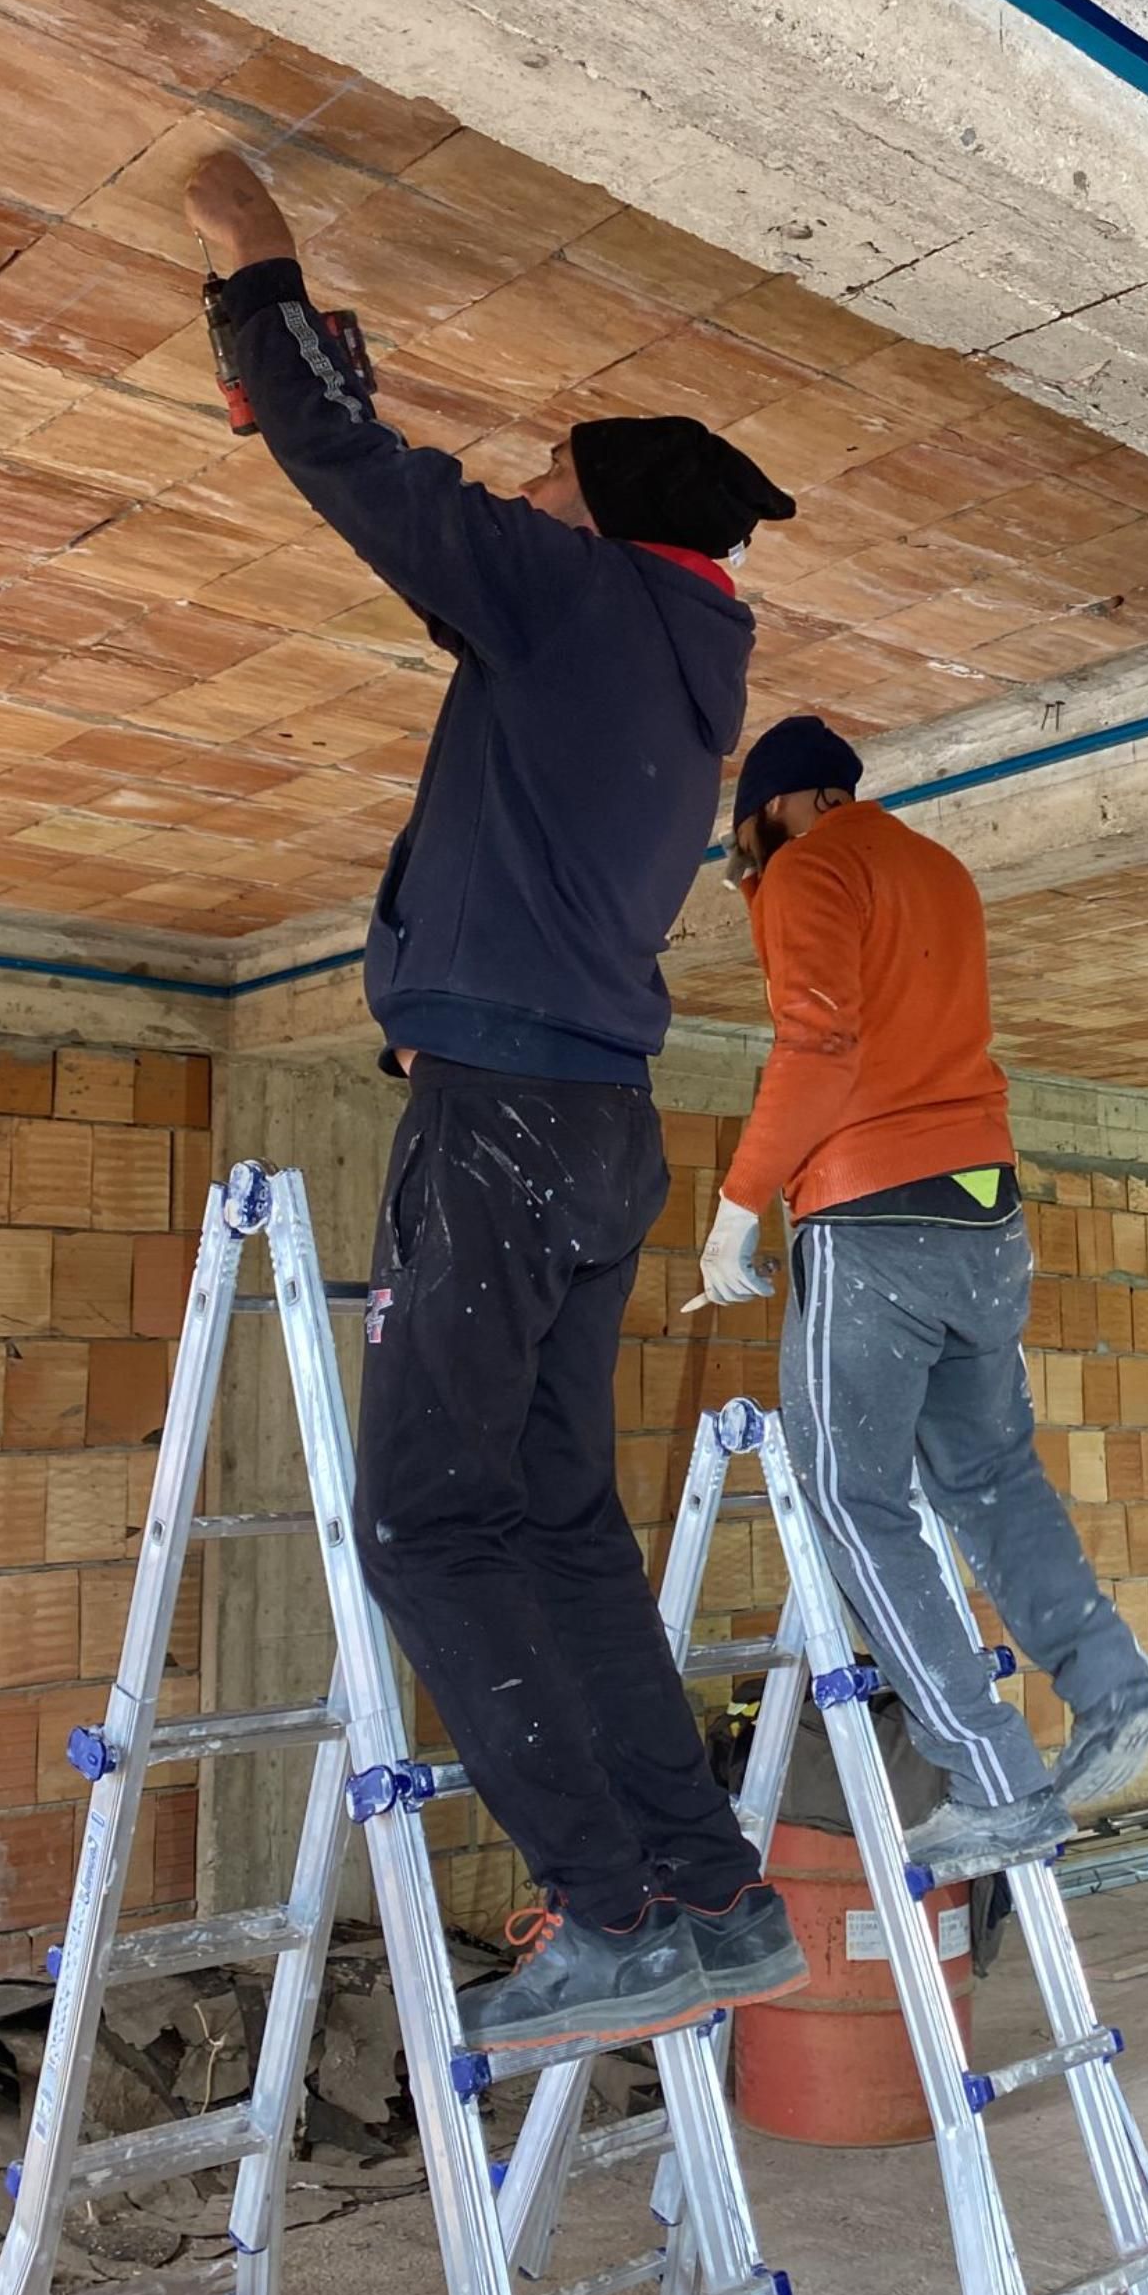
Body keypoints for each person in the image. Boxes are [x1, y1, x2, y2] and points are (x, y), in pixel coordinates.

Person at [183, 151, 807, 2052]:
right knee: (545, 1518)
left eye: (549, 477)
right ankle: (706, 1893)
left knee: (428, 1524)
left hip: (522, 1121)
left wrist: (258, 266)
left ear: (602, 521)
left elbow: (368, 475)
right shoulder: (678, 656)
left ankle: (612, 1912)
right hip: (589, 1120)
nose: (522, 492)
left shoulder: (573, 596)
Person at [693, 713, 1148, 1879]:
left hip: (872, 1219)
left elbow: (818, 1046)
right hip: (982, 1215)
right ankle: (1113, 1688)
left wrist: (734, 1210)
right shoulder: (938, 869)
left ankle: (992, 1777)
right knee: (989, 1474)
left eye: (749, 838)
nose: (748, 866)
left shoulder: (813, 865)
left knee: (852, 1498)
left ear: (789, 803)